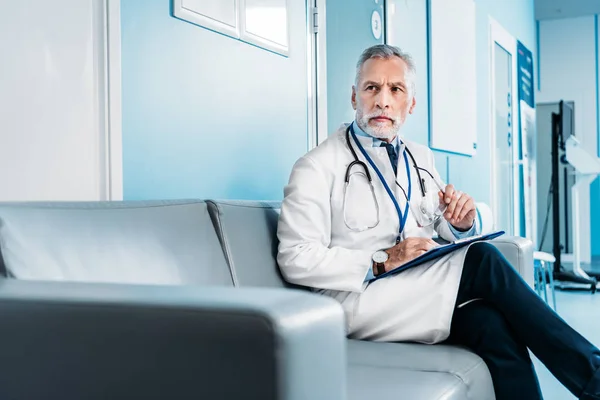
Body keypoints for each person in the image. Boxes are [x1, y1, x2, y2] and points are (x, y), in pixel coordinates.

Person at [276, 44, 600, 400]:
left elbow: (436, 223)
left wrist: (460, 223)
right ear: (355, 96)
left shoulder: (419, 157)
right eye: (372, 88)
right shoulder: (317, 165)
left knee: (492, 326)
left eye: (395, 89)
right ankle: (593, 377)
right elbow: (296, 256)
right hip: (358, 301)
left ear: (410, 103)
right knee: (483, 259)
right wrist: (383, 258)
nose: (383, 100)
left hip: (417, 289)